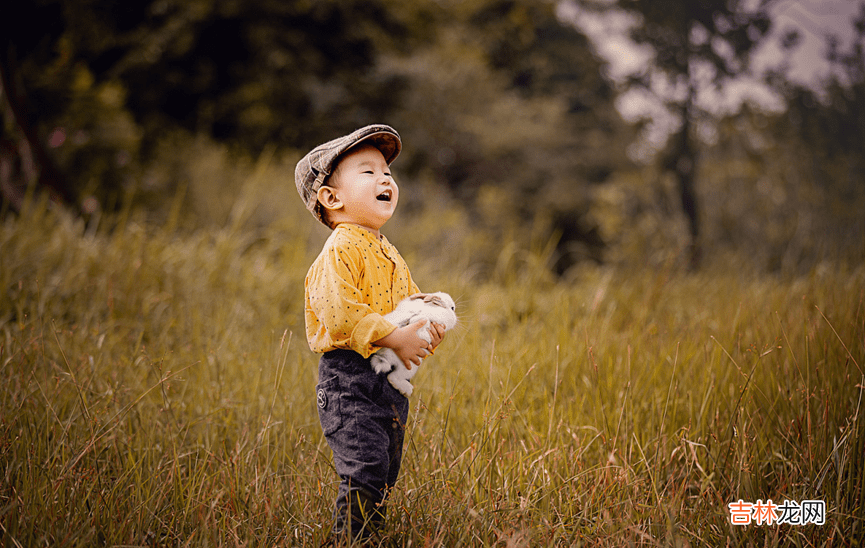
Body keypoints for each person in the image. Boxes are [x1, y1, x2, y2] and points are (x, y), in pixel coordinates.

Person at [296, 124, 446, 541]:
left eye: (388, 173)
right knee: (363, 467)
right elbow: (341, 312)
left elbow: (407, 301)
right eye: (368, 172)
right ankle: (350, 540)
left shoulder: (386, 249)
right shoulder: (341, 248)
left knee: (382, 470)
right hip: (350, 378)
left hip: (387, 381)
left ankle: (369, 534)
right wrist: (395, 337)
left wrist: (428, 320)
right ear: (331, 197)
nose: (385, 179)